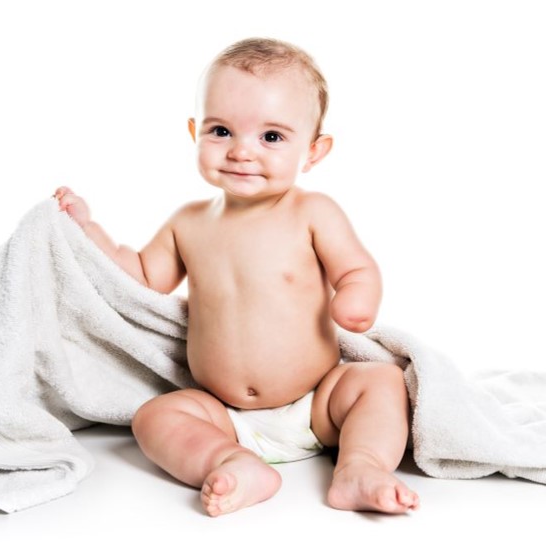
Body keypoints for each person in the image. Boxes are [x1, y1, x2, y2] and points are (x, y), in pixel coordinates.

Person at [53, 37, 418, 516]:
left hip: (318, 403)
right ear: (194, 133)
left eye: (271, 137)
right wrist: (87, 230)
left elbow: (356, 267)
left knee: (382, 383)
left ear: (313, 151)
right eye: (221, 131)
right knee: (154, 417)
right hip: (222, 413)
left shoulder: (312, 212)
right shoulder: (188, 222)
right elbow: (142, 276)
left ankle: (360, 465)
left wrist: (356, 296)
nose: (242, 152)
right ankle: (232, 462)